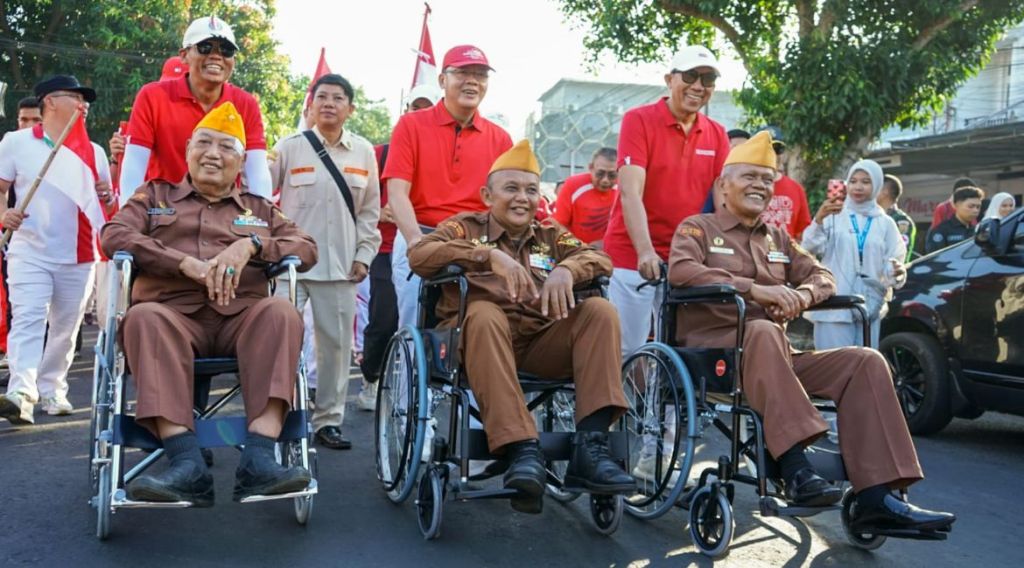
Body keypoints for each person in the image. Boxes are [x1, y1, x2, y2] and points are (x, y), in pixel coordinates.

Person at [669, 130, 955, 532]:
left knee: (865, 362)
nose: (760, 186)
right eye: (749, 177)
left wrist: (799, 296)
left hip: (777, 361)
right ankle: (795, 465)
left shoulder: (779, 239)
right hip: (716, 357)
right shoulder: (697, 228)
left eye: (767, 180)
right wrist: (755, 289)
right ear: (723, 185)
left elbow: (823, 276)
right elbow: (680, 272)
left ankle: (878, 497)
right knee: (764, 330)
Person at [100, 103, 318, 505]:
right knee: (142, 317)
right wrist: (182, 263)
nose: (213, 154)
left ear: (240, 162)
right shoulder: (153, 196)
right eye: (204, 143)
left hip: (243, 317)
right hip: (171, 316)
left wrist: (251, 245)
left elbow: (305, 248)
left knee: (282, 313)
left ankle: (259, 458)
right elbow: (113, 235)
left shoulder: (258, 208)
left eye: (226, 147)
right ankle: (185, 463)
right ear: (187, 149)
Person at [407, 140, 634, 515]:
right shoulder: (463, 227)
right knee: (483, 312)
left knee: (599, 311)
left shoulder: (550, 235)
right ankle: (521, 448)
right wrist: (487, 256)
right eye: (511, 188)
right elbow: (419, 255)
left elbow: (599, 258)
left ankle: (590, 448)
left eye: (531, 190)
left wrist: (566, 269)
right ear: (487, 194)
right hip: (476, 345)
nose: (522, 199)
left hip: (538, 343)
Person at [269, 74, 381, 450]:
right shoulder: (288, 148)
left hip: (341, 267)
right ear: (310, 106)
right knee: (278, 341)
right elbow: (258, 194)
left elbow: (370, 212)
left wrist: (364, 255)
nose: (329, 103)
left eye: (338, 98)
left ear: (350, 108)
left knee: (334, 349)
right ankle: (276, 414)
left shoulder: (364, 152)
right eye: (322, 97)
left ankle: (328, 421)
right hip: (290, 267)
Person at [0, 75, 115, 425]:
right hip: (29, 250)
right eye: (76, 98)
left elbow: (106, 202)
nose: (84, 105)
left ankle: (53, 388)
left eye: (85, 100)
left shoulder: (92, 151)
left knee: (65, 329)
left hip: (79, 254)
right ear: (50, 102)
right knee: (29, 318)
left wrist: (106, 195)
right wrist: (4, 214)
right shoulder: (16, 142)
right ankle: (22, 391)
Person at [604, 45, 730, 358]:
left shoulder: (717, 133)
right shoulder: (639, 120)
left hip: (686, 257)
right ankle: (617, 408)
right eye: (690, 76)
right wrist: (644, 250)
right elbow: (631, 191)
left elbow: (722, 202)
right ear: (669, 79)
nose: (699, 86)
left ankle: (668, 410)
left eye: (708, 79)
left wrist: (723, 254)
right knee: (625, 349)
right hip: (631, 253)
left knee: (680, 352)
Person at [383, 44, 512, 329]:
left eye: (480, 74)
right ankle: (408, 374)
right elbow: (397, 192)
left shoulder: (500, 139)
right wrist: (416, 242)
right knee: (412, 326)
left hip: (476, 242)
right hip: (421, 233)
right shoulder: (410, 125)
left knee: (476, 322)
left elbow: (506, 203)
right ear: (443, 80)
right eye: (463, 73)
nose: (472, 81)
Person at [119, 15, 271, 205]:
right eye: (205, 47)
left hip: (223, 218)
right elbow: (134, 166)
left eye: (226, 50)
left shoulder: (246, 104)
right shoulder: (152, 96)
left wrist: (264, 224)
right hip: (163, 214)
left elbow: (258, 173)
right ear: (183, 55)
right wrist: (128, 219)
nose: (216, 56)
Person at [356, 83, 442, 412]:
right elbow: (356, 198)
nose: (420, 113)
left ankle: (420, 390)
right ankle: (371, 376)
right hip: (386, 246)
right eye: (415, 107)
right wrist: (380, 211)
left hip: (431, 246)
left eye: (427, 107)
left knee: (430, 320)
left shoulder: (442, 150)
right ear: (405, 111)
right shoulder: (380, 153)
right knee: (384, 316)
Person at [802, 159, 906, 349]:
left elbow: (895, 259)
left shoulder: (885, 223)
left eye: (866, 182)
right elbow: (808, 248)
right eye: (853, 181)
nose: (858, 187)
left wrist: (897, 271)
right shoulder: (833, 215)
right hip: (834, 306)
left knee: (864, 365)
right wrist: (818, 220)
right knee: (833, 367)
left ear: (876, 186)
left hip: (869, 306)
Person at [551, 147, 618, 247]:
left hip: (612, 252)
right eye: (600, 174)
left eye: (612, 175)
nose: (605, 180)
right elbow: (557, 227)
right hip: (575, 251)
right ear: (590, 168)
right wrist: (580, 246)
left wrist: (607, 244)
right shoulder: (573, 185)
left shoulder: (625, 188)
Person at [925, 186, 984, 253]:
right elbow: (936, 259)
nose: (975, 210)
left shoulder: (979, 230)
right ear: (956, 205)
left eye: (978, 207)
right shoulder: (941, 230)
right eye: (971, 206)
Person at [877, 174, 916, 262]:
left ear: (884, 192)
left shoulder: (900, 220)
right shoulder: (876, 216)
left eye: (875, 188)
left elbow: (897, 256)